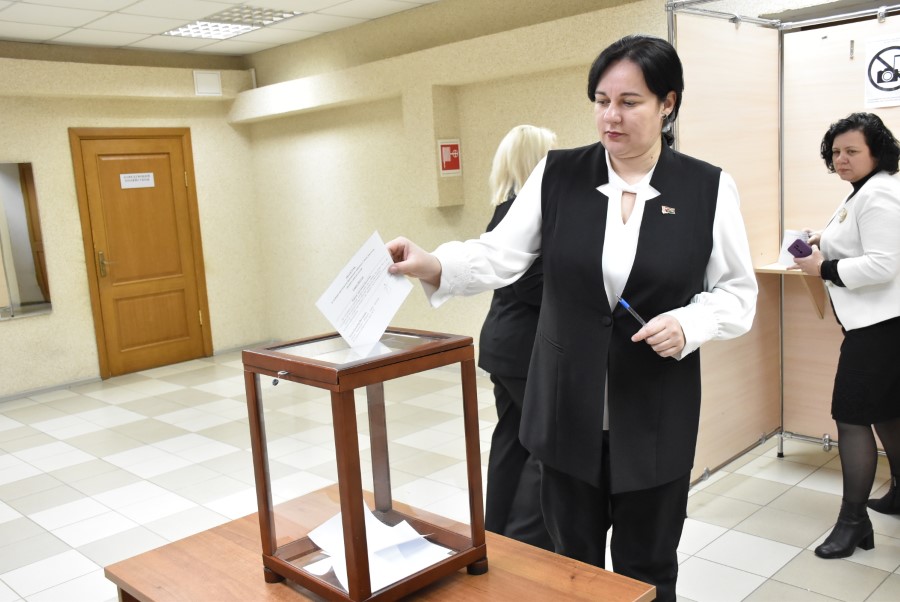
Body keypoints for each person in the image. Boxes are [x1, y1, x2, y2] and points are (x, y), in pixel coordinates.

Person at [386, 34, 757, 600]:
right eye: (601, 101)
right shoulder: (558, 174)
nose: (611, 116)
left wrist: (691, 323)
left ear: (667, 104)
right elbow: (498, 255)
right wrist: (433, 263)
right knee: (569, 567)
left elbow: (736, 292)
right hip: (566, 410)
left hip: (655, 412)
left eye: (629, 102)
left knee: (648, 567)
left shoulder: (707, 187)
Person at [792, 112, 900, 559]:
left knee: (851, 417)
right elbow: (863, 237)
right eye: (836, 151)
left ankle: (854, 523)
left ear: (877, 152)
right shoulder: (864, 189)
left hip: (879, 329)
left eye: (852, 151)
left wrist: (824, 268)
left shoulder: (879, 194)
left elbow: (884, 264)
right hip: (881, 325)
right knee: (887, 413)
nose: (841, 159)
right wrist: (824, 238)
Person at [479, 125, 556, 550]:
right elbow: (531, 284)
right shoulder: (523, 214)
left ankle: (496, 534)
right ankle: (527, 543)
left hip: (504, 346)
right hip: (523, 352)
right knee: (548, 446)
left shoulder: (504, 209)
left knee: (511, 439)